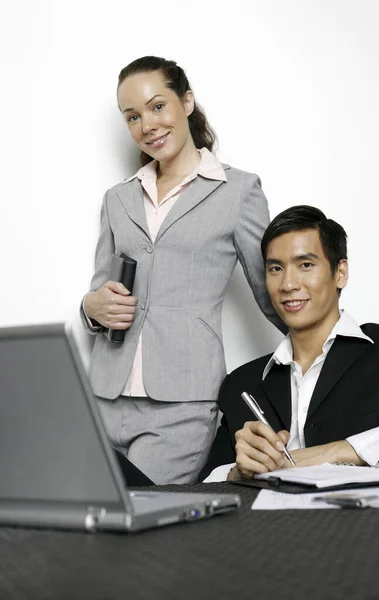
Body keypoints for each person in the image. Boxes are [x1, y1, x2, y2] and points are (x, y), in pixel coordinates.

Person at [81, 55, 284, 485]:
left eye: (158, 107)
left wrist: (338, 351)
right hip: (102, 398)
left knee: (148, 535)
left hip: (181, 408)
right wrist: (90, 307)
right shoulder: (118, 198)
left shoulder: (239, 191)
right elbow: (101, 290)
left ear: (186, 101)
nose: (147, 125)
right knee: (85, 531)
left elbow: (273, 292)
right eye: (132, 116)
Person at [200, 205, 379, 482]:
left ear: (340, 273)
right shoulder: (242, 383)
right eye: (276, 268)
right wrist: (238, 471)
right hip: (265, 523)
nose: (288, 284)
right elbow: (207, 484)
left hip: (366, 522)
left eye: (305, 265)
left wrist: (340, 451)